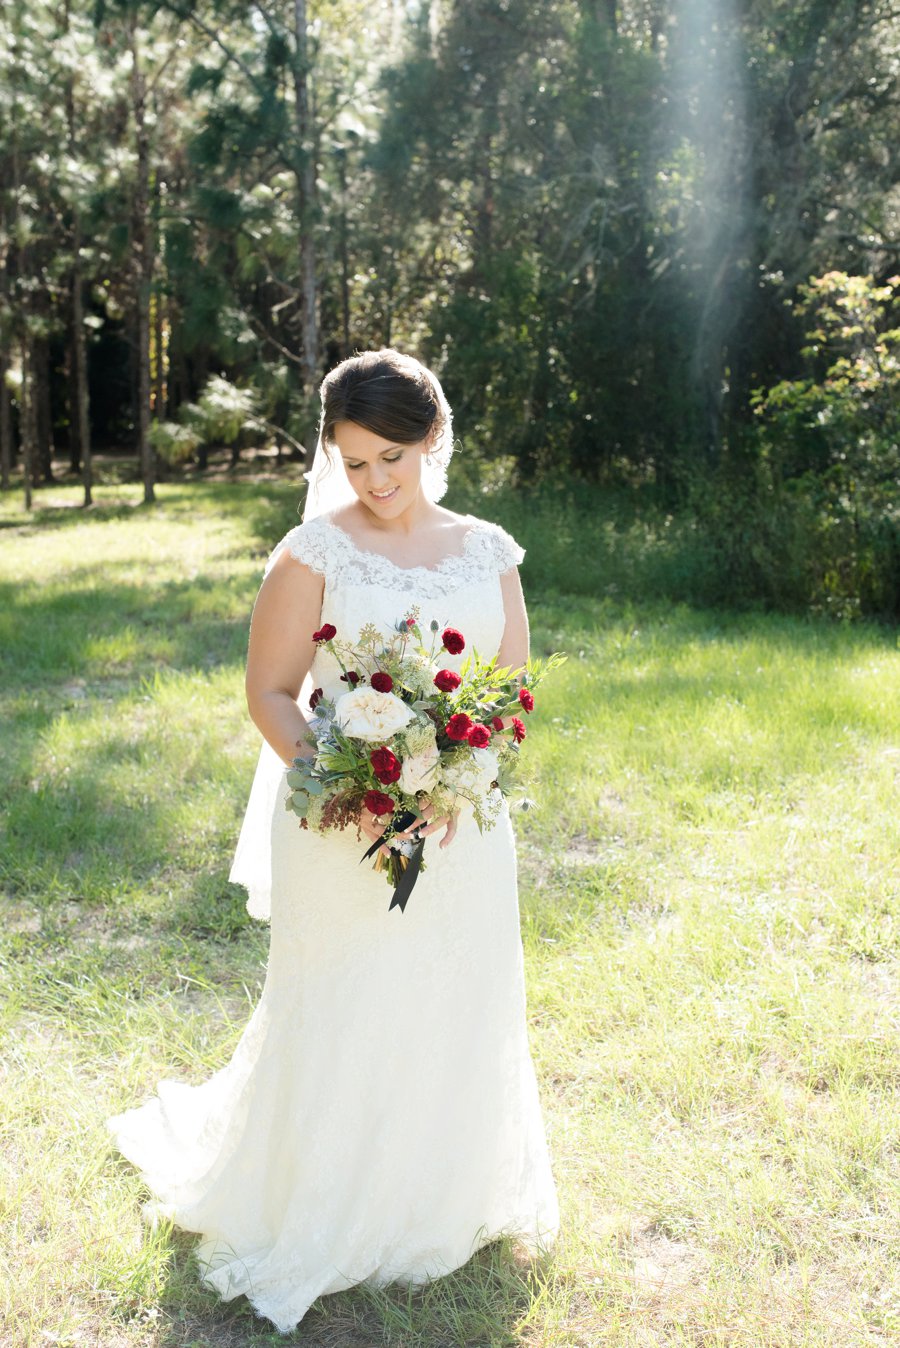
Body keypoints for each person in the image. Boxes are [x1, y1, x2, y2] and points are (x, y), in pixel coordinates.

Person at [107, 349, 559, 1334]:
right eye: (354, 462)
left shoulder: (489, 551)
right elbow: (271, 691)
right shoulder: (314, 553)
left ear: (432, 439)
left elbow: (509, 695)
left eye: (392, 456)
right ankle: (324, 1197)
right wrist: (348, 781)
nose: (375, 482)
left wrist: (458, 776)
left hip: (460, 830)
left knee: (454, 996)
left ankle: (440, 1193)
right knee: (349, 1001)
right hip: (338, 822)